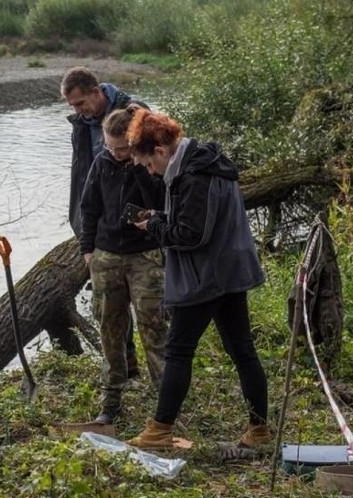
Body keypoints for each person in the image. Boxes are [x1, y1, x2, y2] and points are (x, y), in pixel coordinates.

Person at [124, 109, 271, 449]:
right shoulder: (203, 163)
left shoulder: (194, 175)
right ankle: (259, 431)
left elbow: (192, 235)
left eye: (148, 165)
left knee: (178, 351)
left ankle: (160, 430)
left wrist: (155, 226)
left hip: (206, 276)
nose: (151, 172)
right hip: (228, 269)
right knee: (242, 352)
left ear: (160, 151)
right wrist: (164, 216)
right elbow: (200, 220)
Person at [61, 66, 149, 388]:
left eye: (81, 103)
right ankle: (127, 372)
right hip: (97, 227)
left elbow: (155, 163)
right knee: (110, 310)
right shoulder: (82, 124)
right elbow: (84, 178)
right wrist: (83, 232)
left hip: (134, 234)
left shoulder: (130, 112)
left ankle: (151, 379)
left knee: (147, 311)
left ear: (97, 92)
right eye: (72, 106)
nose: (78, 110)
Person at [79, 107, 168, 425]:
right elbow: (88, 208)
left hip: (144, 255)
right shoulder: (102, 162)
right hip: (106, 255)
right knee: (109, 328)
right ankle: (111, 398)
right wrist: (87, 249)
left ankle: (166, 404)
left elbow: (160, 204)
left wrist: (138, 170)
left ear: (133, 143)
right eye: (109, 147)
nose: (114, 153)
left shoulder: (150, 165)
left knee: (154, 326)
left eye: (121, 148)